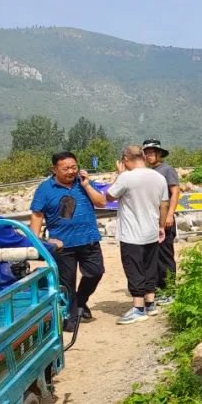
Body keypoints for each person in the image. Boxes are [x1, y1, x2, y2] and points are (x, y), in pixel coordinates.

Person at [30, 151, 108, 331]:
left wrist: (87, 185)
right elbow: (37, 214)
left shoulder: (83, 183)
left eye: (74, 167)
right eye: (66, 168)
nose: (71, 171)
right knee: (67, 283)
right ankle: (71, 316)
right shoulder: (45, 188)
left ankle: (80, 302)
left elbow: (102, 202)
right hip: (62, 245)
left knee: (95, 273)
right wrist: (35, 242)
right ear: (54, 169)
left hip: (89, 239)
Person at [107, 145, 169, 325]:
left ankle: (138, 308)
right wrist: (161, 226)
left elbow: (110, 197)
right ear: (142, 156)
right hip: (152, 230)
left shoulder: (126, 177)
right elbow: (164, 204)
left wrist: (119, 174)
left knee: (134, 269)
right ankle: (150, 304)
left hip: (131, 234)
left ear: (126, 159)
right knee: (150, 267)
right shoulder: (158, 177)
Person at [142, 138, 180, 303]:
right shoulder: (148, 171)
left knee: (165, 255)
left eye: (152, 152)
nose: (149, 155)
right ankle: (158, 289)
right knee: (153, 256)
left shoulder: (167, 170)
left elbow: (175, 192)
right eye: (147, 153)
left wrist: (170, 214)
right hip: (151, 220)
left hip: (164, 220)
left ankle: (170, 290)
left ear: (159, 154)